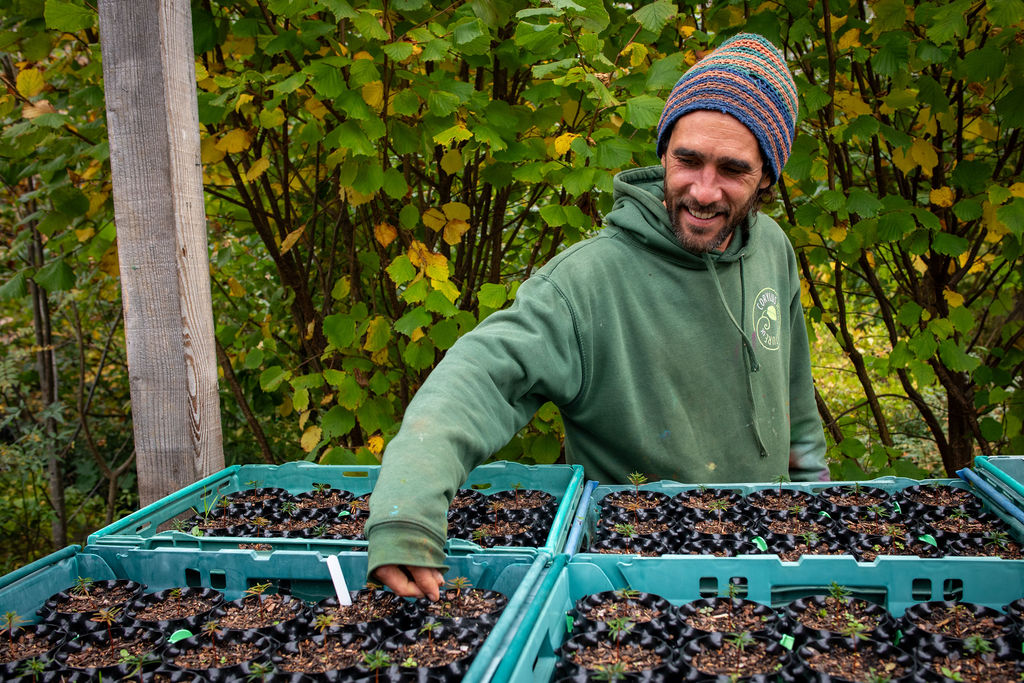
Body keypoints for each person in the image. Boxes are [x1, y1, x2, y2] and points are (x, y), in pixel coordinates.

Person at [365, 33, 828, 600]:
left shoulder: (772, 250)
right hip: (638, 587)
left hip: (768, 561)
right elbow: (476, 379)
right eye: (688, 160)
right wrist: (405, 514)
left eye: (732, 169)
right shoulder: (585, 284)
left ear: (766, 179)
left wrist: (813, 505)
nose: (703, 191)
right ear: (663, 154)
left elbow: (797, 400)